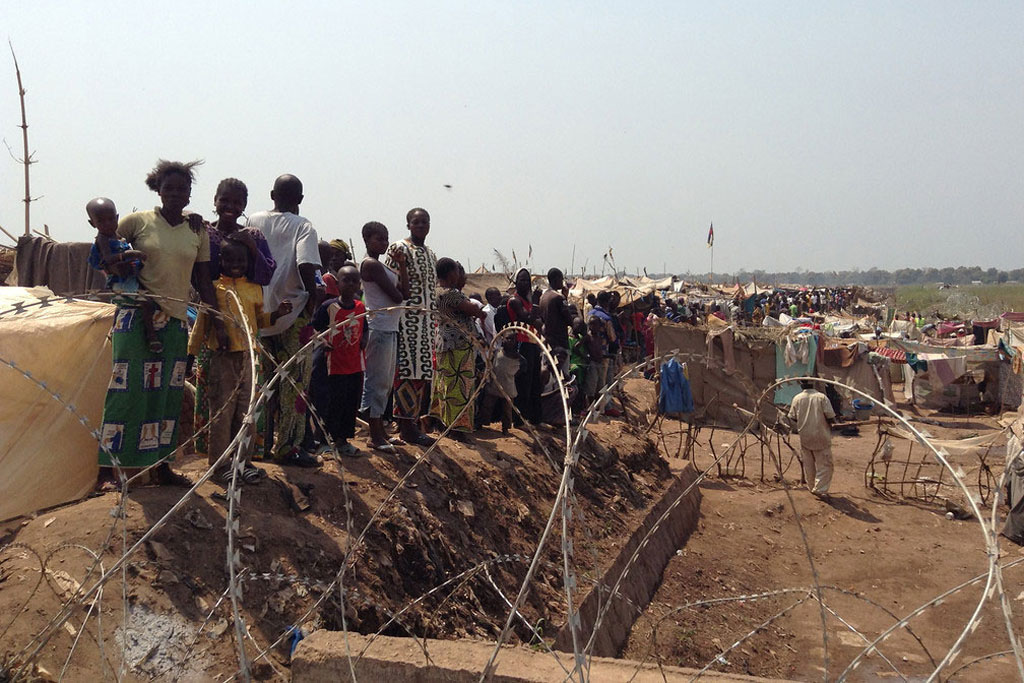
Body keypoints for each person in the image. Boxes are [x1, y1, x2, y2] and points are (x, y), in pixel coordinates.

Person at [96, 159, 222, 489]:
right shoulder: (137, 221)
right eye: (171, 187)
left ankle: (162, 467)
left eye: (184, 188)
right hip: (135, 313)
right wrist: (119, 277)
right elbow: (102, 250)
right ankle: (108, 471)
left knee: (167, 394)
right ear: (159, 190)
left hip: (177, 320)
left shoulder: (197, 229)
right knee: (126, 390)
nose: (177, 193)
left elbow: (203, 278)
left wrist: (217, 320)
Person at [187, 235, 291, 483]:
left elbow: (259, 320)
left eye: (241, 260)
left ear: (247, 263)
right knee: (222, 412)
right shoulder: (215, 289)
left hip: (249, 357)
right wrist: (191, 355)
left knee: (246, 411)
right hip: (222, 358)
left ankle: (243, 461)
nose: (236, 264)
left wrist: (276, 314)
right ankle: (219, 464)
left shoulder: (253, 289)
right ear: (221, 261)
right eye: (230, 259)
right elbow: (202, 323)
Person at [193, 178, 276, 462]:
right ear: (215, 200)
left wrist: (251, 247)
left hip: (247, 329)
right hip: (216, 327)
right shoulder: (204, 232)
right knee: (219, 399)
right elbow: (199, 276)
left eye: (237, 202)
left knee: (246, 401)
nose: (230, 207)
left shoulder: (253, 235)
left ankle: (243, 461)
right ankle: (219, 461)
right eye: (224, 200)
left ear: (244, 206)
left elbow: (265, 275)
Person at [246, 174, 322, 467]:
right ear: (300, 200)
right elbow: (306, 263)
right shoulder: (303, 226)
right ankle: (288, 446)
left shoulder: (254, 219)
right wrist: (313, 300)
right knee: (295, 383)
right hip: (292, 312)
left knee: (262, 383)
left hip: (260, 312)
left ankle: (259, 445)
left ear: (271, 194)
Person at [385, 208, 438, 446]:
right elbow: (389, 282)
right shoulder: (398, 249)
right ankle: (405, 427)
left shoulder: (431, 254)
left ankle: (413, 423)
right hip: (406, 322)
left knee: (421, 374)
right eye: (416, 222)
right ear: (408, 225)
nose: (421, 226)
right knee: (405, 372)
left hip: (425, 325)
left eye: (425, 222)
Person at [359, 221, 409, 453]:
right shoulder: (371, 265)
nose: (385, 243)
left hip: (390, 327)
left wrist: (402, 265)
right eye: (379, 238)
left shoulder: (385, 267)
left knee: (385, 382)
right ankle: (374, 434)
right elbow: (398, 297)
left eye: (386, 238)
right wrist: (399, 278)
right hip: (378, 327)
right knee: (377, 382)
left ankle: (381, 433)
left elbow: (404, 293)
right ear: (367, 239)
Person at [86, 197, 160, 352]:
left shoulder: (118, 237)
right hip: (120, 282)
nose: (107, 224)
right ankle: (151, 335)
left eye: (111, 219)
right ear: (92, 223)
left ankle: (116, 330)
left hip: (129, 278)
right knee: (147, 303)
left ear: (117, 218)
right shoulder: (103, 239)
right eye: (101, 221)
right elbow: (107, 259)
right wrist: (129, 254)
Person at [312, 263, 366, 457]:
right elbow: (315, 328)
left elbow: (364, 329)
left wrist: (363, 341)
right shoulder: (329, 307)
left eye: (354, 281)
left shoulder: (360, 307)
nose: (350, 284)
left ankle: (342, 441)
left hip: (353, 365)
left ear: (359, 284)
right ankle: (324, 441)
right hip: (332, 365)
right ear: (338, 284)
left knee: (349, 404)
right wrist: (323, 341)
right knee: (329, 403)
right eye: (346, 280)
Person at [430, 259, 486, 439]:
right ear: (451, 274)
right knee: (459, 387)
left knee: (444, 385)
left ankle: (443, 424)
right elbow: (475, 310)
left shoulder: (436, 291)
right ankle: (457, 429)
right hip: (458, 345)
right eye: (458, 272)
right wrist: (479, 312)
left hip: (444, 342)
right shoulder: (451, 294)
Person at [788, 380, 837, 497]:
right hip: (820, 435)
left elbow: (793, 417)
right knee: (825, 465)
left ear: (801, 384)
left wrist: (803, 419)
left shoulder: (797, 398)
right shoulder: (821, 398)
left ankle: (812, 487)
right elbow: (830, 416)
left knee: (809, 464)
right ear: (814, 384)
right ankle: (819, 489)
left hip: (805, 436)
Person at [508, 267, 544, 425]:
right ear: (515, 282)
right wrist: (536, 302)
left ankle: (535, 418)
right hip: (522, 344)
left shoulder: (528, 302)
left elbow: (537, 321)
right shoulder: (515, 300)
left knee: (535, 383)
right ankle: (519, 420)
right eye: (522, 280)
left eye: (527, 280)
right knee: (524, 384)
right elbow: (527, 319)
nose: (525, 283)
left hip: (533, 343)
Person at [477, 336, 522, 434]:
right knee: (487, 406)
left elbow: (522, 369)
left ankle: (505, 428)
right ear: (503, 340)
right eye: (508, 338)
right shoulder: (497, 353)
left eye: (512, 339)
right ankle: (481, 423)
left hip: (508, 387)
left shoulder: (518, 358)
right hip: (494, 385)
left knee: (507, 410)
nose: (510, 341)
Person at [539, 268, 575, 364]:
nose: (562, 282)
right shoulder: (558, 297)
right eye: (561, 279)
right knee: (562, 375)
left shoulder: (543, 297)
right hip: (560, 342)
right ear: (556, 279)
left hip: (548, 341)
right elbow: (569, 319)